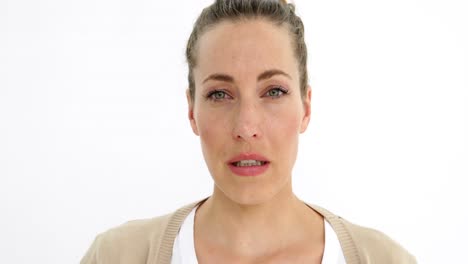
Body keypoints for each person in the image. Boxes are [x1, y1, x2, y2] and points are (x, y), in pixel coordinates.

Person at [81, 0, 416, 263]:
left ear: (307, 107)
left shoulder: (385, 260)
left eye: (274, 92)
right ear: (191, 111)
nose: (246, 128)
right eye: (219, 94)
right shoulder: (115, 256)